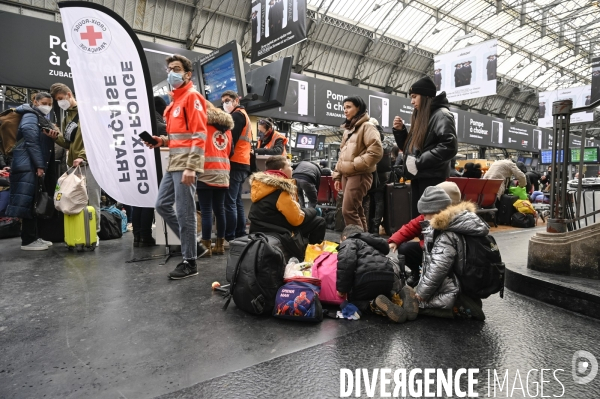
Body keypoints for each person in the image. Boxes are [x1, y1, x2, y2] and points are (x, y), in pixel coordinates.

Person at [373, 187, 487, 322]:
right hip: (468, 276)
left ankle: (460, 308)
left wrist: (421, 293)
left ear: (435, 211)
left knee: (418, 306)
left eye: (425, 214)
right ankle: (467, 301)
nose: (423, 217)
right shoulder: (458, 219)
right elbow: (412, 227)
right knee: (423, 292)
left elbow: (438, 268)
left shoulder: (445, 234)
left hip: (453, 282)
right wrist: (394, 241)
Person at [146, 54, 208, 279]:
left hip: (185, 165)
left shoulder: (193, 98)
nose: (171, 72)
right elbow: (178, 138)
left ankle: (190, 261)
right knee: (162, 205)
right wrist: (160, 141)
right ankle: (195, 246)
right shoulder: (174, 103)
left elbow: (199, 135)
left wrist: (192, 167)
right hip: (174, 163)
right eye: (169, 69)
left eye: (176, 68)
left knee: (185, 212)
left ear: (187, 74)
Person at [392, 76, 458, 217]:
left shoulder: (442, 115)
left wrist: (419, 162)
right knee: (420, 219)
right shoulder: (424, 116)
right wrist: (400, 131)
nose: (412, 101)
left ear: (426, 96)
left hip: (431, 177)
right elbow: (412, 147)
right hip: (420, 175)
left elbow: (449, 145)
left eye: (415, 96)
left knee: (429, 219)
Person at [46, 83, 102, 239]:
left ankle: (94, 233)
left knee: (92, 198)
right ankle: (80, 231)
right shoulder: (67, 117)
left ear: (69, 94)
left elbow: (93, 139)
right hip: (73, 164)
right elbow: (67, 143)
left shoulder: (87, 112)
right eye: (57, 100)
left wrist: (82, 156)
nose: (59, 102)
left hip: (88, 163)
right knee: (75, 199)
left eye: (60, 98)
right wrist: (55, 136)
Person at [6, 92, 57, 250]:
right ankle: (28, 241)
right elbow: (32, 142)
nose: (47, 106)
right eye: (44, 102)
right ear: (34, 101)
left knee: (34, 200)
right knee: (30, 202)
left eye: (50, 104)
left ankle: (33, 237)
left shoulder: (36, 116)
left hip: (29, 164)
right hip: (28, 165)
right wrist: (39, 165)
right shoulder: (30, 116)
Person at [388, 181, 461, 287]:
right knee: (405, 249)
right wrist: (395, 240)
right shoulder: (427, 216)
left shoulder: (457, 221)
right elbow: (410, 227)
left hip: (447, 256)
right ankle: (417, 274)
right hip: (428, 250)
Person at [248, 155, 326, 246]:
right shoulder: (281, 189)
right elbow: (296, 219)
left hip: (259, 228)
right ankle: (308, 254)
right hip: (278, 230)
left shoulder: (260, 185)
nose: (292, 168)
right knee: (319, 221)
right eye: (289, 166)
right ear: (281, 170)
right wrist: (313, 211)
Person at [332, 96, 383, 231]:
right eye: (344, 108)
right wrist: (337, 175)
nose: (345, 111)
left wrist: (354, 164)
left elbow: (376, 151)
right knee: (357, 210)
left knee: (348, 211)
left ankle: (355, 241)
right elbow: (342, 155)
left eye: (349, 107)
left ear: (358, 108)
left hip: (359, 174)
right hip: (347, 175)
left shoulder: (367, 127)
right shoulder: (348, 130)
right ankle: (363, 242)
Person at [197, 102, 234, 256]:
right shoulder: (228, 130)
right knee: (220, 211)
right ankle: (220, 245)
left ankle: (206, 247)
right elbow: (230, 152)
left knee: (206, 211)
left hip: (206, 173)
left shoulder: (202, 126)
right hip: (223, 174)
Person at [132, 96, 167, 247]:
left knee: (138, 201)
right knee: (149, 202)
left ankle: (137, 236)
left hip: (137, 166)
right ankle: (145, 235)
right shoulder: (160, 126)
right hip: (153, 168)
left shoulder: (140, 122)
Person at [221, 90, 252, 248]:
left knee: (229, 202)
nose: (225, 103)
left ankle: (230, 236)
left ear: (235, 100)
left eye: (228, 100)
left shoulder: (236, 116)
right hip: (243, 163)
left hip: (235, 163)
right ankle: (240, 233)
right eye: (223, 101)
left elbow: (230, 141)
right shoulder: (244, 115)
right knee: (237, 201)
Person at [336, 224, 396, 301]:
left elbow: (347, 263)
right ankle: (396, 301)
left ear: (344, 237)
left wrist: (342, 289)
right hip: (389, 278)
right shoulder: (373, 243)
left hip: (366, 279)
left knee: (355, 303)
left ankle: (371, 306)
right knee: (381, 298)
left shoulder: (348, 241)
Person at [367, 118, 391, 234]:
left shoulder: (369, 136)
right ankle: (376, 226)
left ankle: (371, 225)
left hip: (371, 173)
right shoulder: (382, 138)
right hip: (382, 175)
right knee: (378, 200)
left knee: (370, 200)